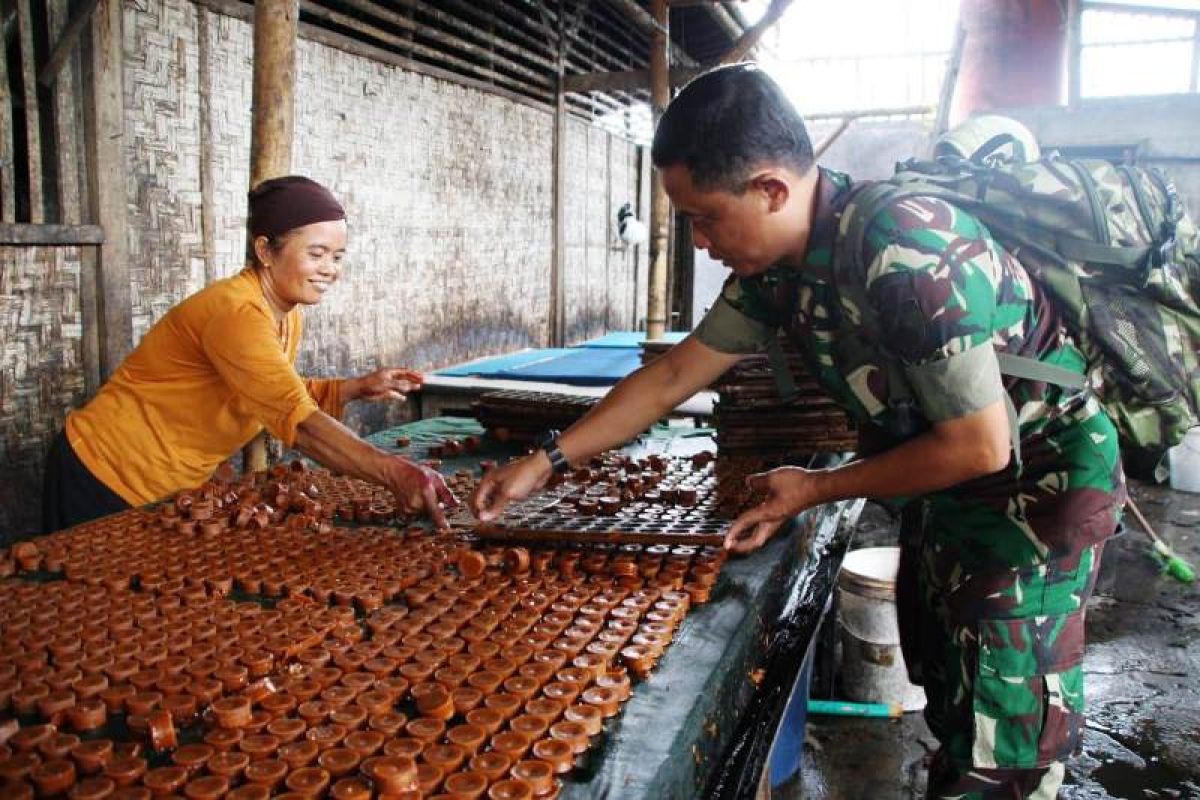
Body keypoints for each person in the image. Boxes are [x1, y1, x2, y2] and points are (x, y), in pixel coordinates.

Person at [472, 65, 1124, 799]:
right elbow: (672, 376)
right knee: (950, 675)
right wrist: (547, 459)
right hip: (952, 488)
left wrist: (816, 488)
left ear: (771, 190)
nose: (700, 239)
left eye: (706, 217)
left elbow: (979, 445)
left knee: (1005, 725)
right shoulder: (780, 265)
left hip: (1033, 493)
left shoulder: (904, 253)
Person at [44, 175, 456, 532]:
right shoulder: (236, 313)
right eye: (316, 254)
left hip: (166, 483)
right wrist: (395, 472)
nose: (331, 268)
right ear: (265, 251)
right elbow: (297, 419)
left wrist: (354, 388)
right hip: (106, 472)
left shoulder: (286, 314)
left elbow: (266, 390)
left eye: (337, 256)